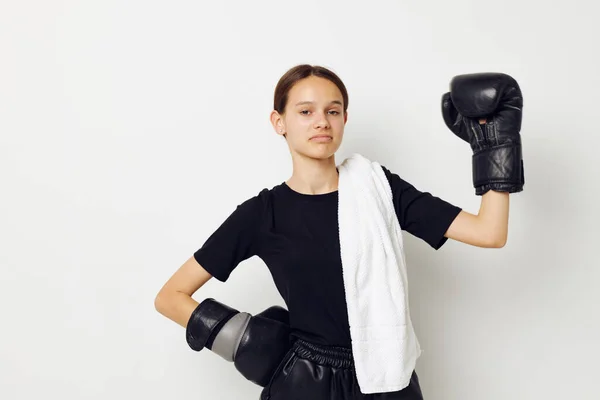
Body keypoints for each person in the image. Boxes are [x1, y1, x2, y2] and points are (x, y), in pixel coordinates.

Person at [154, 64, 523, 399]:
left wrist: (495, 147)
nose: (322, 122)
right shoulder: (261, 214)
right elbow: (170, 296)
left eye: (332, 111)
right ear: (278, 121)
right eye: (305, 111)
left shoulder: (378, 189)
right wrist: (242, 340)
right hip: (304, 382)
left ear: (345, 118)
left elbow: (489, 232)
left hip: (388, 379)